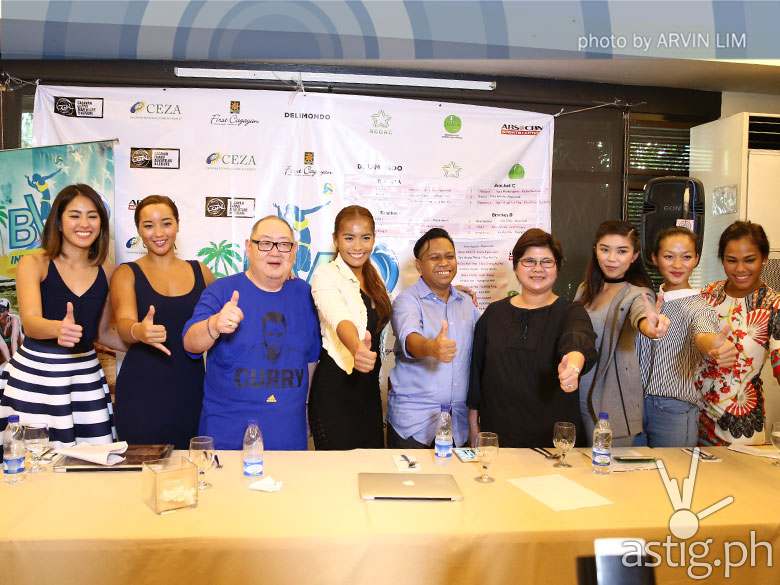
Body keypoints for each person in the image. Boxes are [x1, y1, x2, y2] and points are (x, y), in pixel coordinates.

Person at [0, 184, 124, 447]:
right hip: (37, 377)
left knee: (93, 467)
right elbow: (31, 323)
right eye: (74, 215)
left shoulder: (108, 272)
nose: (84, 224)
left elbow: (101, 333)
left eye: (92, 216)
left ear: (101, 224)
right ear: (58, 221)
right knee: (32, 468)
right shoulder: (34, 263)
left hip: (85, 376)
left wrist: (142, 340)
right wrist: (58, 329)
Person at [182, 215, 320, 450]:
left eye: (284, 244)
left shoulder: (305, 294)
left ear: (294, 250)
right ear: (249, 247)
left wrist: (307, 410)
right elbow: (190, 343)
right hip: (227, 440)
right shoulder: (222, 291)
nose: (275, 252)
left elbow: (310, 361)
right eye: (265, 243)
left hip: (288, 440)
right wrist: (214, 325)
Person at [467, 228, 597, 447]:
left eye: (547, 261)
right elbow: (476, 372)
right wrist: (473, 425)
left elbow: (578, 338)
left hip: (554, 441)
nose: (538, 269)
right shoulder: (494, 313)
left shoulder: (571, 312)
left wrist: (573, 364)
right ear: (516, 266)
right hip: (498, 437)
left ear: (557, 267)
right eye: (529, 261)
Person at [110, 195, 214, 449]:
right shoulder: (126, 272)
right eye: (148, 225)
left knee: (191, 470)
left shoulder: (201, 271)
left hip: (191, 387)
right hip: (142, 388)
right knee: (141, 472)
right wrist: (138, 330)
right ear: (138, 231)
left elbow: (219, 320)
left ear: (177, 225)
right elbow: (123, 322)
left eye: (166, 223)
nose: (158, 233)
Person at [636, 227, 737, 447]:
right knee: (637, 477)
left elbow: (703, 335)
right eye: (669, 257)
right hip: (634, 407)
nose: (678, 265)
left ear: (696, 260)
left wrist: (713, 347)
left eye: (687, 257)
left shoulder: (699, 307)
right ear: (654, 258)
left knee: (674, 476)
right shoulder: (646, 301)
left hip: (674, 409)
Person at [575, 220, 670, 446]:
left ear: (634, 256)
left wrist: (652, 326)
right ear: (595, 250)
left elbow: (643, 317)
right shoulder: (584, 289)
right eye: (605, 249)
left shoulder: (639, 293)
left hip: (613, 401)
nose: (611, 258)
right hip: (578, 393)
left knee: (608, 471)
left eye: (622, 251)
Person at [388, 228, 480, 448]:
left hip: (459, 426)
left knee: (459, 483)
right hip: (413, 426)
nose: (444, 263)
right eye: (434, 257)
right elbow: (410, 339)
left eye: (450, 256)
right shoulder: (407, 301)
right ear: (419, 265)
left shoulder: (467, 304)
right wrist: (432, 348)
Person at [308, 205, 392, 449]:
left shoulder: (374, 278)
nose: (358, 246)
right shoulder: (326, 275)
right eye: (349, 238)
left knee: (370, 476)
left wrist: (445, 292)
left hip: (368, 395)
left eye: (365, 238)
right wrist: (357, 348)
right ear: (336, 239)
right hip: (336, 392)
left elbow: (386, 314)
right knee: (337, 480)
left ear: (374, 239)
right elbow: (340, 318)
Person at [695, 221, 780, 446]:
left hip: (739, 427)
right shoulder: (708, 294)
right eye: (731, 260)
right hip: (692, 418)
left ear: (764, 259)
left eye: (749, 260)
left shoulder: (773, 305)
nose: (740, 269)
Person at [0, 298, 23, 369]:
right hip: (5, 346)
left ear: (8, 311)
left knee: (21, 337)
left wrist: (15, 360)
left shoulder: (14, 319)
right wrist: (9, 360)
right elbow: (2, 344)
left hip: (18, 344)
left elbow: (14, 339)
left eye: (1, 309)